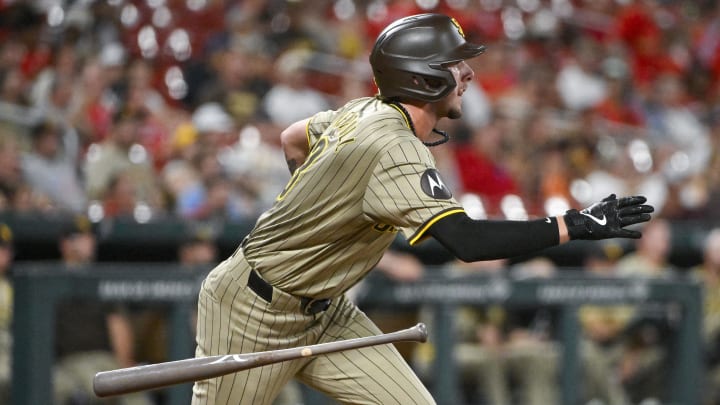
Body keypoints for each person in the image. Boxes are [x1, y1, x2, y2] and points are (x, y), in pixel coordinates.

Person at [191, 13, 654, 405]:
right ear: (422, 76)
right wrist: (572, 224)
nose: (469, 75)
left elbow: (293, 136)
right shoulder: (395, 146)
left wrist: (323, 207)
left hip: (325, 311)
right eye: (456, 65)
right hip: (253, 311)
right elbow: (468, 243)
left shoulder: (364, 109)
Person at [53, 215, 152, 405]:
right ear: (65, 243)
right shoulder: (50, 279)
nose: (86, 243)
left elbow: (118, 328)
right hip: (67, 363)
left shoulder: (99, 279)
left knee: (134, 394)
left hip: (103, 361)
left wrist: (125, 368)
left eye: (89, 238)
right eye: (79, 237)